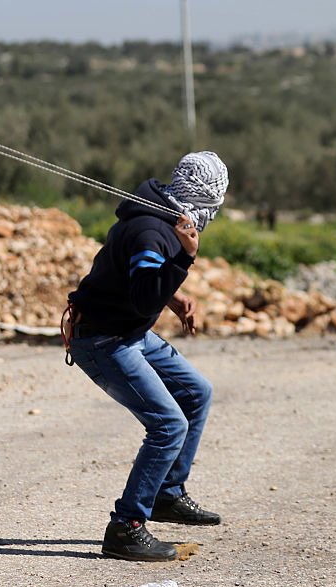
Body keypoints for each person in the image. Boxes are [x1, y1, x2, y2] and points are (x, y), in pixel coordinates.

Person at [63, 151, 228, 562]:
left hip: (127, 330)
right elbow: (140, 298)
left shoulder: (163, 215)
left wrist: (170, 297)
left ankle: (166, 495)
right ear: (208, 196)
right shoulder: (155, 232)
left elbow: (137, 283)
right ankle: (126, 528)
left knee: (196, 392)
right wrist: (184, 261)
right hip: (103, 340)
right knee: (168, 425)